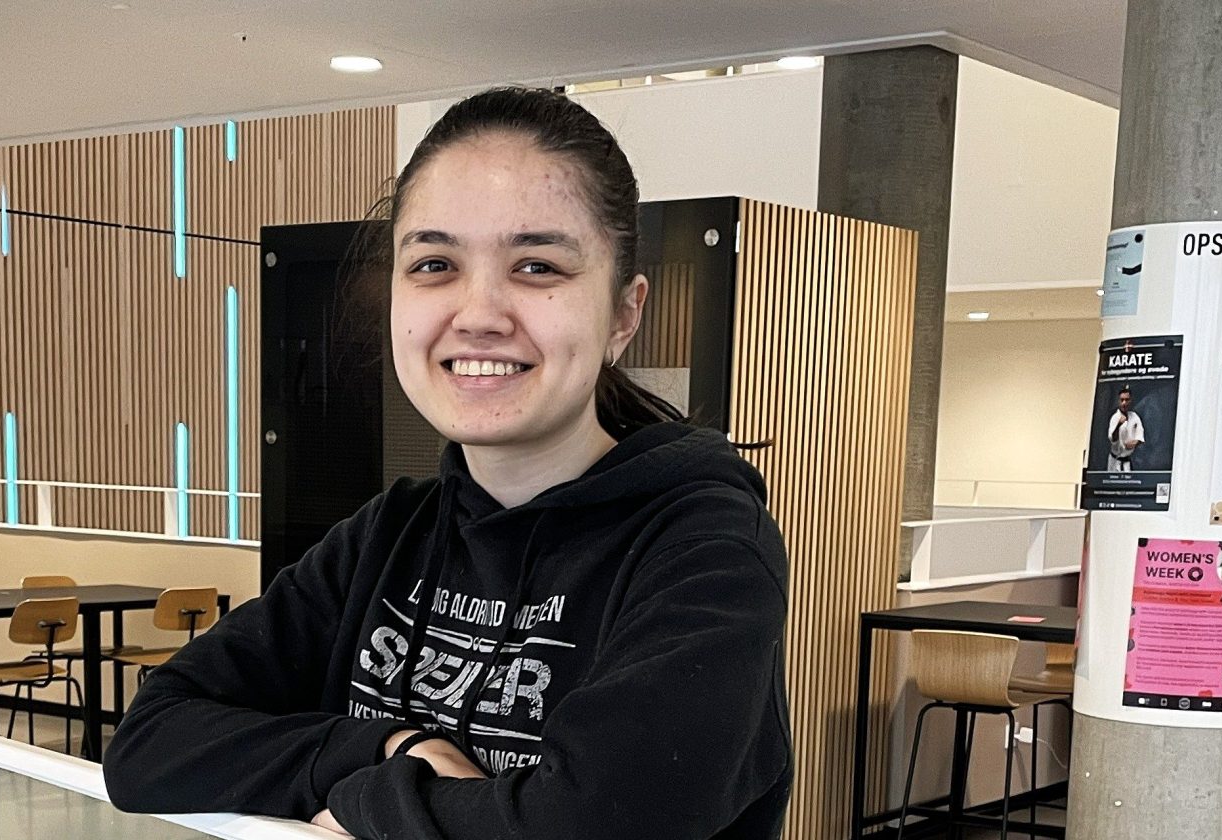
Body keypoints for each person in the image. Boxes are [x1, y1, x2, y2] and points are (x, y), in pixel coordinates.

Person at [103, 87, 792, 840]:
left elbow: (592, 824)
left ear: (624, 314)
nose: (479, 314)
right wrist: (391, 748)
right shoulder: (388, 536)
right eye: (435, 264)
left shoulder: (706, 548)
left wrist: (366, 802)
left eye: (537, 266)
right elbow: (148, 746)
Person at [1106, 387, 1144, 471]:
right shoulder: (1115, 418)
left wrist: (1134, 443)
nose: (1124, 403)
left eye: (1127, 400)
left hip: (1127, 460)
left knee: (1127, 478)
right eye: (1122, 400)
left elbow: (1140, 437)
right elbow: (1113, 439)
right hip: (1115, 460)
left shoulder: (1135, 417)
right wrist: (1119, 424)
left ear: (1130, 401)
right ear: (1118, 401)